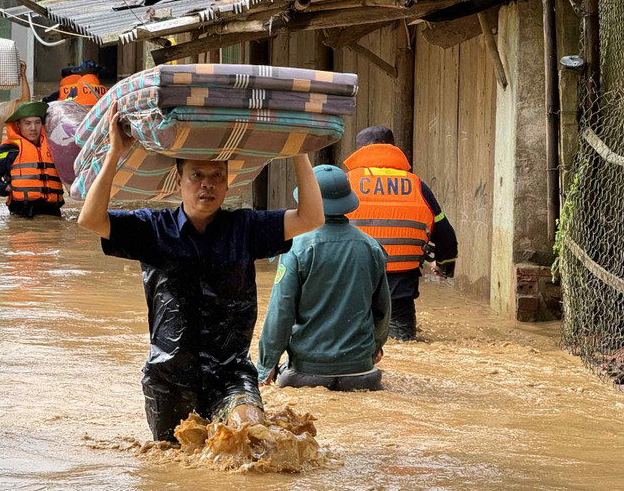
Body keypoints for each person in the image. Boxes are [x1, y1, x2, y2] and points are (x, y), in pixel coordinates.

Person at [77, 103, 325, 442]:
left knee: (251, 435)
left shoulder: (246, 227)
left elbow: (311, 218)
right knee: (171, 464)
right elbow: (90, 219)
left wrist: (299, 151)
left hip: (231, 374)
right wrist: (115, 153)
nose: (207, 185)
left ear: (227, 185)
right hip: (169, 378)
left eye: (216, 177)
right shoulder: (154, 229)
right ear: (179, 181)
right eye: (197, 176)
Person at [257, 165, 390, 391]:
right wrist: (375, 347)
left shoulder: (295, 247)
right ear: (347, 202)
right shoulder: (372, 247)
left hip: (306, 374)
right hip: (362, 374)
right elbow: (383, 310)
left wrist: (266, 365)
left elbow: (281, 311)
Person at [343, 126, 458, 341]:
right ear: (394, 149)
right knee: (405, 344)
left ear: (358, 150)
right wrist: (443, 265)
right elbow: (446, 237)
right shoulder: (417, 187)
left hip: (351, 286)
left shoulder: (343, 184)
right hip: (400, 291)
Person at [0, 101, 64, 218]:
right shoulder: (9, 150)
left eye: (37, 123)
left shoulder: (55, 147)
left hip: (53, 213)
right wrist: (4, 188)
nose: (33, 128)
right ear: (18, 125)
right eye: (27, 123)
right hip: (22, 214)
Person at [42, 61, 106, 107]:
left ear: (79, 74)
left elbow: (44, 102)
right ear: (97, 74)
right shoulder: (107, 91)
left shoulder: (67, 90)